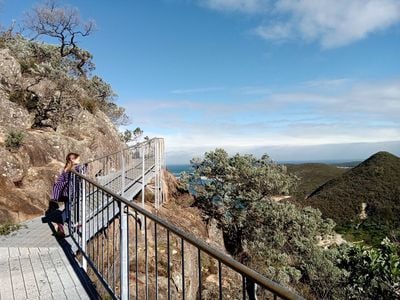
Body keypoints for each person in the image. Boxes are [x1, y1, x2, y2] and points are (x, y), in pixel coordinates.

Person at [51, 152, 81, 237]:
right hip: (70, 192)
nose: (79, 161)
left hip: (66, 192)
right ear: (72, 160)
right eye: (78, 159)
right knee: (68, 209)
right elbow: (81, 172)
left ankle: (72, 222)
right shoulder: (73, 169)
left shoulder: (66, 168)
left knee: (69, 207)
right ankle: (59, 223)